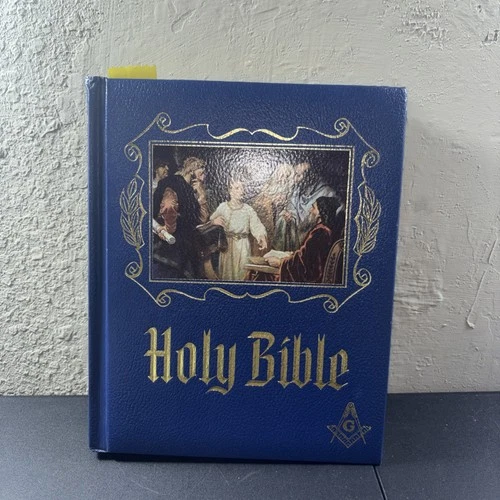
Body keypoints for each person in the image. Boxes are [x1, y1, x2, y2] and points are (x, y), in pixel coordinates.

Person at [266, 196, 344, 284]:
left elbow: (306, 266)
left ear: (320, 213)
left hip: (311, 281)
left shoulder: (320, 232)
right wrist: (291, 255)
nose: (310, 210)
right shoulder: (324, 229)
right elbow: (308, 255)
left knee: (263, 275)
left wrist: (280, 262)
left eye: (313, 208)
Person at [211, 179, 267, 281]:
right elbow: (210, 222)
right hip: (227, 246)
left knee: (243, 274)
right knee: (227, 276)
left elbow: (256, 225)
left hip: (243, 246)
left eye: (242, 188)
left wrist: (261, 236)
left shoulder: (248, 209)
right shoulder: (223, 207)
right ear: (230, 191)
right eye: (237, 188)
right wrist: (214, 221)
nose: (241, 191)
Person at [273, 161, 336, 251]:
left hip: (315, 236)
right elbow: (292, 210)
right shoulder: (296, 190)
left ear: (311, 176)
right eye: (295, 175)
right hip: (297, 234)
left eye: (298, 175)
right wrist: (289, 215)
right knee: (282, 220)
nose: (295, 179)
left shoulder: (327, 192)